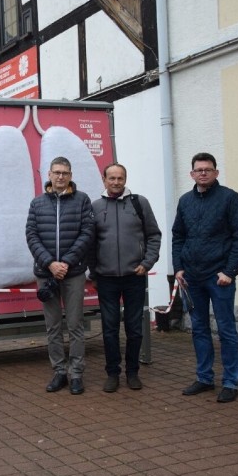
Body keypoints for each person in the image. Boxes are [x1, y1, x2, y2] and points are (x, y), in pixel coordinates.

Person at [172, 152, 238, 403]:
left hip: (219, 279)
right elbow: (178, 236)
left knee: (226, 330)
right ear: (192, 174)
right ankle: (205, 378)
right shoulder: (185, 201)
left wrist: (230, 271)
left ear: (216, 172)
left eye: (208, 169)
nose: (203, 173)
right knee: (199, 329)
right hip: (192, 278)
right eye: (198, 169)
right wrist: (179, 267)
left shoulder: (230, 198)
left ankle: (230, 382)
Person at [26, 156, 94, 395]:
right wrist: (50, 264)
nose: (60, 177)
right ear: (49, 174)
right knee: (53, 326)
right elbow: (31, 236)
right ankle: (59, 371)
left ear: (71, 175)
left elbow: (87, 233)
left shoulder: (82, 200)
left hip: (73, 272)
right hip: (46, 274)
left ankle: (76, 373)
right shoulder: (37, 204)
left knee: (75, 325)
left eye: (65, 173)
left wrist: (65, 262)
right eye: (56, 172)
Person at [90, 163, 161, 393]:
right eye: (112, 178)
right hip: (106, 279)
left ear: (125, 179)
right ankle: (112, 373)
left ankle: (132, 372)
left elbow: (154, 235)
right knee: (109, 329)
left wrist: (146, 263)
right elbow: (89, 242)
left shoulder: (139, 204)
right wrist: (94, 269)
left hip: (134, 276)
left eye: (120, 178)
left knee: (134, 328)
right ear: (104, 180)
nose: (116, 182)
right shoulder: (96, 206)